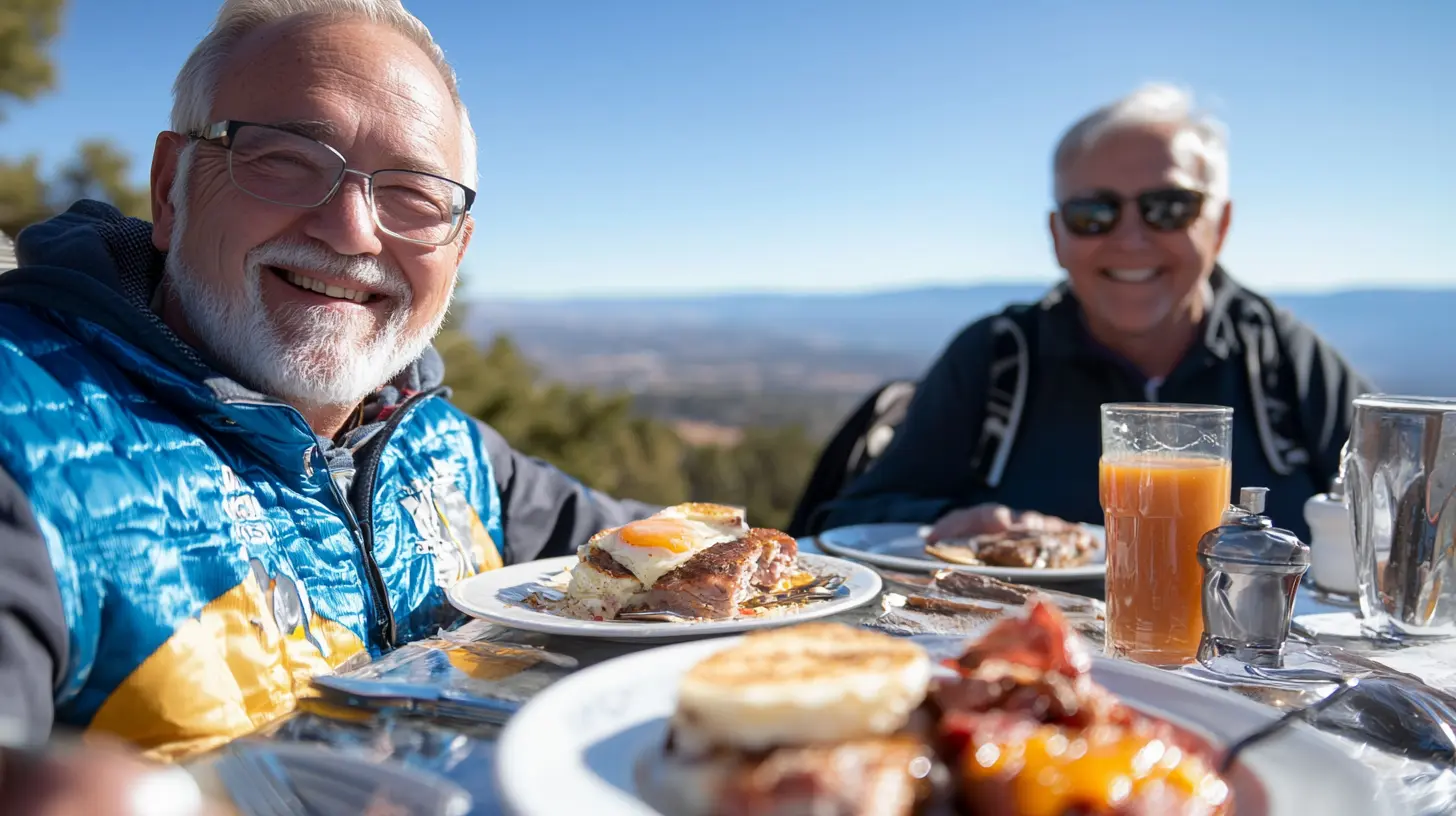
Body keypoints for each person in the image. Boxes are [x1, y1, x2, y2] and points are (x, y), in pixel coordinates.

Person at [0, 0, 658, 761]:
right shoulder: (25, 440)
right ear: (170, 188)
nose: (351, 231)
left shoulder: (447, 453)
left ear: (457, 250)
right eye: (284, 160)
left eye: (414, 195)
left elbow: (674, 555)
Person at [810, 83, 1371, 544]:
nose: (1130, 238)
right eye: (1093, 213)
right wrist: (946, 524)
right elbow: (845, 522)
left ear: (1219, 225)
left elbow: (1397, 519)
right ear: (1057, 235)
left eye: (1168, 208)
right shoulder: (998, 360)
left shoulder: (1283, 362)